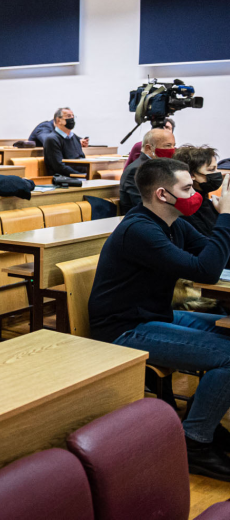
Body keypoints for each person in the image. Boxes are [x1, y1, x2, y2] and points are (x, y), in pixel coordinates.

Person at [87, 158, 230, 480]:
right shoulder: (139, 230)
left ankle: (199, 419)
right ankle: (194, 443)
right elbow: (204, 270)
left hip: (154, 316)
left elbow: (214, 255)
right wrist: (226, 218)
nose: (197, 193)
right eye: (188, 187)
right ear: (163, 194)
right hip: (124, 329)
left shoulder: (173, 222)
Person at [120, 127, 177, 215]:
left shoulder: (159, 165)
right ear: (149, 148)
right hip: (143, 219)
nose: (173, 149)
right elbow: (143, 204)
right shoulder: (136, 170)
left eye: (174, 145)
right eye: (168, 145)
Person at [174, 145, 224, 239]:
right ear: (192, 175)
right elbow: (213, 243)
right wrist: (225, 213)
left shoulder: (207, 201)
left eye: (216, 168)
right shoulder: (187, 209)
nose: (218, 173)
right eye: (211, 169)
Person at [42, 107, 89, 178]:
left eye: (73, 116)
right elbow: (59, 166)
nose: (72, 119)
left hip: (79, 177)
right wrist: (81, 175)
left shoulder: (75, 137)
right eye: (68, 116)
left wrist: (89, 173)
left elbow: (81, 159)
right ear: (58, 120)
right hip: (64, 179)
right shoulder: (52, 139)